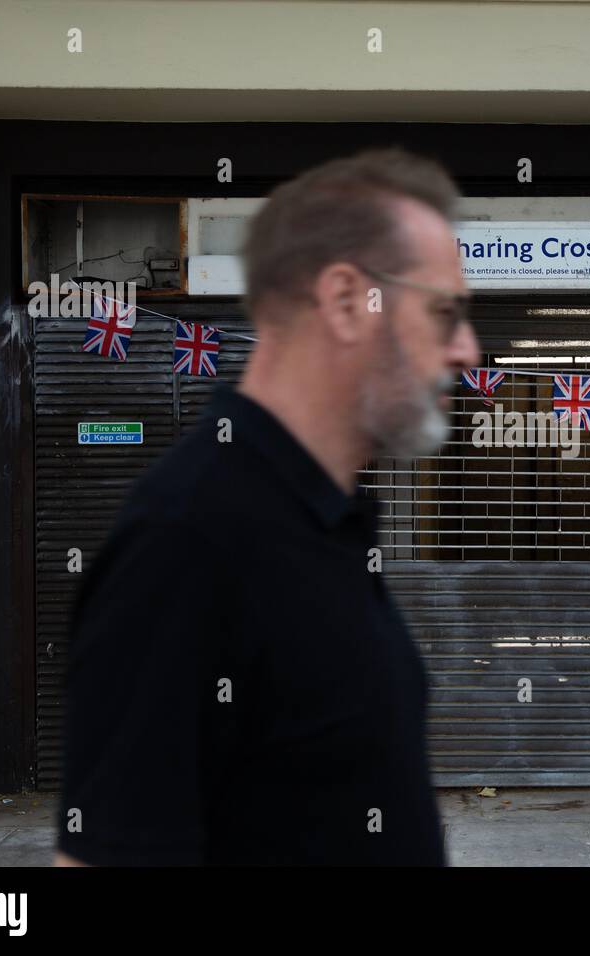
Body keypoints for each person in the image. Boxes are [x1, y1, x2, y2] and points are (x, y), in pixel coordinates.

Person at [56, 148, 480, 865]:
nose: (468, 349)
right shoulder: (187, 540)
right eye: (445, 312)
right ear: (348, 301)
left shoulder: (328, 520)